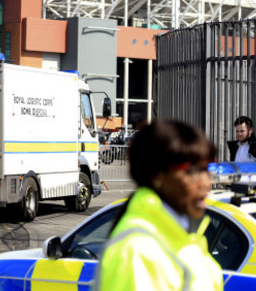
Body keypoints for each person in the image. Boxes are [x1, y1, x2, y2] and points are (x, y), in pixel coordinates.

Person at [93, 119, 222, 291]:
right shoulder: (138, 250)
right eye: (192, 170)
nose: (206, 182)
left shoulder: (183, 236)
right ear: (157, 175)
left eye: (207, 168)